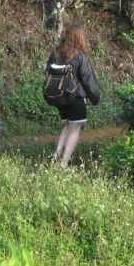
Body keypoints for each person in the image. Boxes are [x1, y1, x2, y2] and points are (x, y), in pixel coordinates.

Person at [45, 24, 101, 167]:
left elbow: (48, 72)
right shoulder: (80, 56)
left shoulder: (56, 53)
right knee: (75, 128)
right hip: (75, 98)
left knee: (67, 127)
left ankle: (55, 158)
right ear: (79, 38)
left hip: (59, 99)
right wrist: (95, 98)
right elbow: (88, 80)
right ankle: (63, 164)